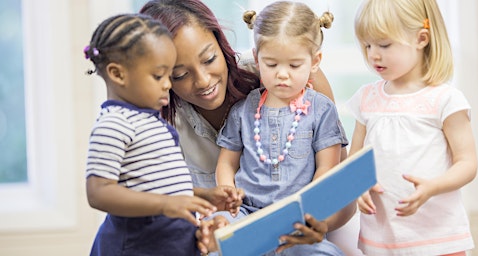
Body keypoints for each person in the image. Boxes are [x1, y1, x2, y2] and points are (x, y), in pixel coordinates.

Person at [139, 0, 356, 251]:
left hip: (304, 229)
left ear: (222, 46)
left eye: (209, 59)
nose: (203, 81)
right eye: (180, 75)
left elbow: (340, 188)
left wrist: (318, 222)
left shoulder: (300, 85)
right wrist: (217, 224)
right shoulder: (162, 127)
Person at [84, 13, 235, 255]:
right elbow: (98, 192)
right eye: (160, 76)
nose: (168, 84)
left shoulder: (153, 122)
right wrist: (167, 205)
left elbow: (157, 187)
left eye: (169, 76)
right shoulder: (114, 123)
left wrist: (202, 196)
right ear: (117, 74)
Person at [213, 1, 352, 255]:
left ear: (315, 61)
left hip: (297, 218)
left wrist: (308, 208)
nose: (282, 74)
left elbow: (327, 168)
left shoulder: (322, 110)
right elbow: (226, 163)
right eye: (271, 64)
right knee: (216, 240)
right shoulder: (243, 110)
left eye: (294, 65)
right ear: (256, 58)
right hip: (246, 213)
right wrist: (228, 194)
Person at [346, 0, 478, 255]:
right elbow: (356, 159)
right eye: (367, 44)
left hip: (438, 237)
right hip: (382, 237)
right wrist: (357, 185)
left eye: (384, 44)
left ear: (421, 39)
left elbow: (467, 163)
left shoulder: (445, 99)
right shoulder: (366, 98)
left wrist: (433, 186)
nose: (373, 54)